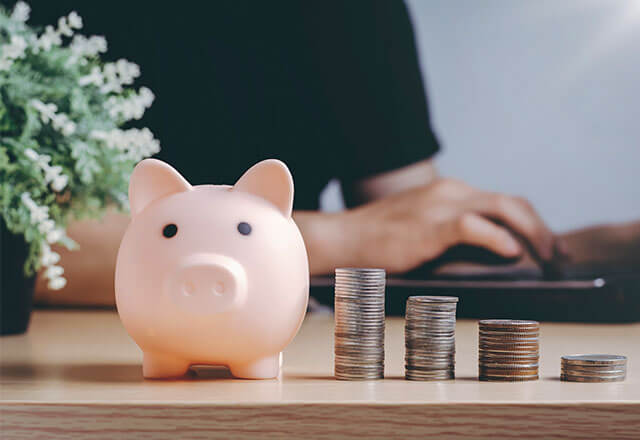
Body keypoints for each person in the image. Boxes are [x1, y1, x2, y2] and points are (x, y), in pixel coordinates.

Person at [29, 1, 638, 306]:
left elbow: (412, 226)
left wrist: (568, 257)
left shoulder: (353, 14)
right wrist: (337, 239)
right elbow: (20, 248)